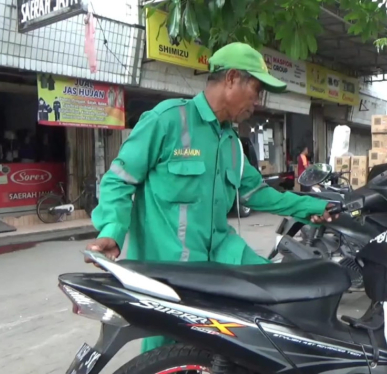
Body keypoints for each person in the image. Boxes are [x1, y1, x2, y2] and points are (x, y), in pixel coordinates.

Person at [85, 42, 337, 353]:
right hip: (167, 270)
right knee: (163, 355)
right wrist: (112, 231)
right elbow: (118, 181)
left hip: (221, 258)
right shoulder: (168, 120)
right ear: (231, 78)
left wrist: (315, 206)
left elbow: (258, 194)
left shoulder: (232, 143)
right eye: (256, 89)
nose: (257, 102)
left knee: (283, 300)